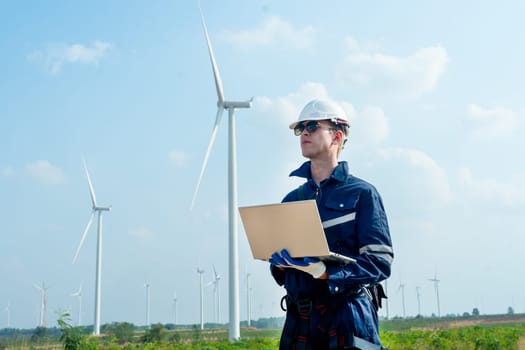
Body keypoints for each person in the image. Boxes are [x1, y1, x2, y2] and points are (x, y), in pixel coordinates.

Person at [269, 99, 394, 350]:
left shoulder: (362, 194)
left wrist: (329, 273)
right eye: (300, 128)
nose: (304, 132)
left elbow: (379, 262)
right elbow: (279, 271)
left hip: (347, 315)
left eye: (313, 126)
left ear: (336, 137)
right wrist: (279, 266)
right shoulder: (291, 200)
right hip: (301, 318)